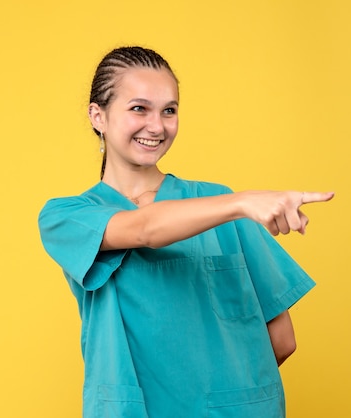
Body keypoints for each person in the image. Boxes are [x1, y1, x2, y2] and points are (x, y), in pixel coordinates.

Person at [38, 46, 334, 418]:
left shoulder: (219, 203)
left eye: (169, 110)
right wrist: (241, 203)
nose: (157, 126)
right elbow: (144, 229)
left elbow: (282, 340)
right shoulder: (68, 217)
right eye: (138, 108)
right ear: (98, 115)